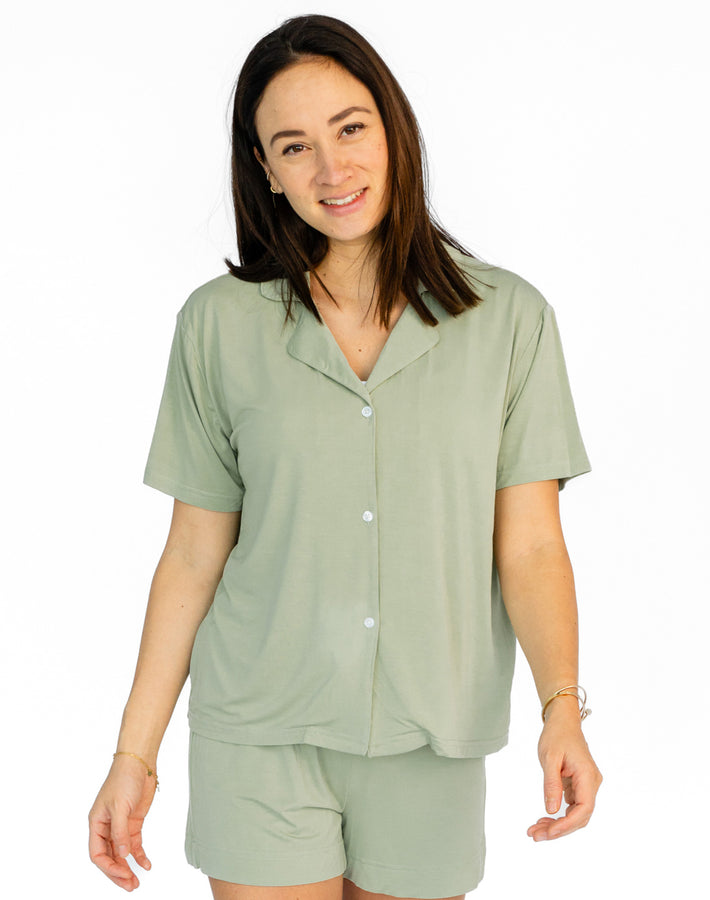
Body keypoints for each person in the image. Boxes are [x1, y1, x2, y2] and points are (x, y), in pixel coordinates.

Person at [88, 13, 602, 900]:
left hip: (432, 735)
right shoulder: (217, 326)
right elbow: (194, 553)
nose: (331, 170)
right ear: (266, 169)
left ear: (392, 129)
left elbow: (528, 545)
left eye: (350, 129)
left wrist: (563, 707)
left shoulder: (510, 321)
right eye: (294, 147)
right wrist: (134, 755)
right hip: (259, 732)